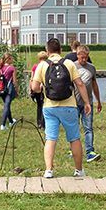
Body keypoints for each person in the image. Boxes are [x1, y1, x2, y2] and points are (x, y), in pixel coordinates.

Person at [30, 37, 91, 179]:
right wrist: (86, 102)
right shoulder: (69, 63)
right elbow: (80, 84)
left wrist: (41, 89)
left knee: (51, 138)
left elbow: (35, 87)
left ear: (47, 50)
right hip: (69, 106)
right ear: (61, 50)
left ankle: (49, 170)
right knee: (74, 138)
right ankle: (78, 170)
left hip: (50, 107)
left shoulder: (43, 65)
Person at [69, 44, 101, 162]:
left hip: (88, 102)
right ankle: (73, 149)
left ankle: (90, 151)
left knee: (88, 127)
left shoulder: (91, 68)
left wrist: (98, 100)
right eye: (82, 57)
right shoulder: (72, 67)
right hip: (74, 102)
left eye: (86, 58)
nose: (84, 60)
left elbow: (94, 85)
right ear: (77, 55)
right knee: (74, 126)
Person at [0, 52, 19, 130]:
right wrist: (17, 90)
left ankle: (11, 121)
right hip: (9, 90)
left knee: (7, 105)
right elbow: (14, 81)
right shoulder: (12, 68)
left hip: (1, 90)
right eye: (11, 58)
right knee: (7, 105)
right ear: (9, 59)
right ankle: (2, 125)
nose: (12, 59)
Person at [29, 50, 48, 128]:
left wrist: (31, 88)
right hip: (42, 87)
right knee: (44, 105)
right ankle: (43, 123)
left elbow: (32, 78)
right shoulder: (47, 66)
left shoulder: (35, 66)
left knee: (39, 106)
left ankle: (38, 122)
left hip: (36, 88)